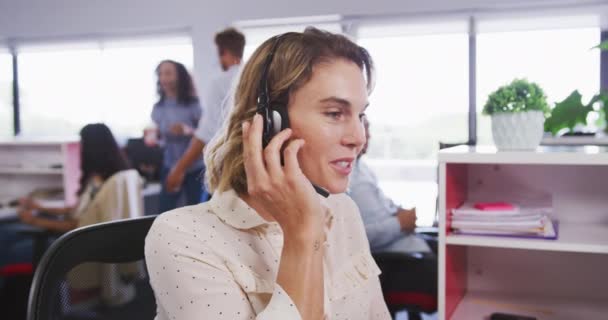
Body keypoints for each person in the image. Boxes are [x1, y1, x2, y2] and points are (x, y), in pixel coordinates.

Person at [145, 28, 391, 319]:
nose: (358, 137)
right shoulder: (183, 237)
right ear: (271, 123)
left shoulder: (343, 210)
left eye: (360, 115)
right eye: (335, 113)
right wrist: (303, 235)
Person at [0, 123, 130, 267]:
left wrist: (33, 221)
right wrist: (39, 207)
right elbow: (77, 210)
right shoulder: (108, 178)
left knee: (7, 245)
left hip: (69, 245)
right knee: (5, 234)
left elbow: (77, 225)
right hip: (69, 240)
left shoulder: (100, 185)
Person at [165, 28, 245, 197]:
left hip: (228, 169)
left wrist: (178, 170)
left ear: (222, 51)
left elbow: (206, 133)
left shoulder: (220, 83)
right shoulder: (254, 77)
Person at [349, 117, 432, 254]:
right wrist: (399, 224)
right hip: (397, 258)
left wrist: (401, 213)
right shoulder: (345, 180)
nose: (368, 135)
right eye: (364, 128)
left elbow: (385, 205)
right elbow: (356, 239)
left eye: (368, 128)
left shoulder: (363, 168)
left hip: (412, 242)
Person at [151, 60, 203, 211]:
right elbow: (160, 140)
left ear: (179, 76)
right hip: (169, 166)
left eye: (168, 73)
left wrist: (187, 130)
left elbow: (206, 136)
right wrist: (156, 137)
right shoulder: (157, 108)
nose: (163, 78)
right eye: (160, 74)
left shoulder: (194, 104)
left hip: (195, 168)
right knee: (164, 212)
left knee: (196, 213)